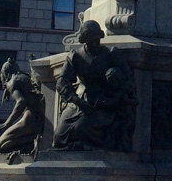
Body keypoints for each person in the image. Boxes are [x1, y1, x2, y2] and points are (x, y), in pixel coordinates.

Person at [53, 20, 135, 151]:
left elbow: (128, 81)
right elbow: (62, 81)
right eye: (91, 41)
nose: (96, 43)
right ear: (85, 41)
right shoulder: (76, 56)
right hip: (80, 102)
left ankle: (98, 144)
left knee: (80, 129)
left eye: (97, 40)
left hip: (103, 105)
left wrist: (114, 98)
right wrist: (77, 101)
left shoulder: (111, 54)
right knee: (59, 136)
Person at [0, 58, 45, 164]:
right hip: (38, 119)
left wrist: (7, 123)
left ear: (4, 74)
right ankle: (32, 141)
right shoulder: (24, 77)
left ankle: (31, 144)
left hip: (29, 119)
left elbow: (21, 102)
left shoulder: (12, 82)